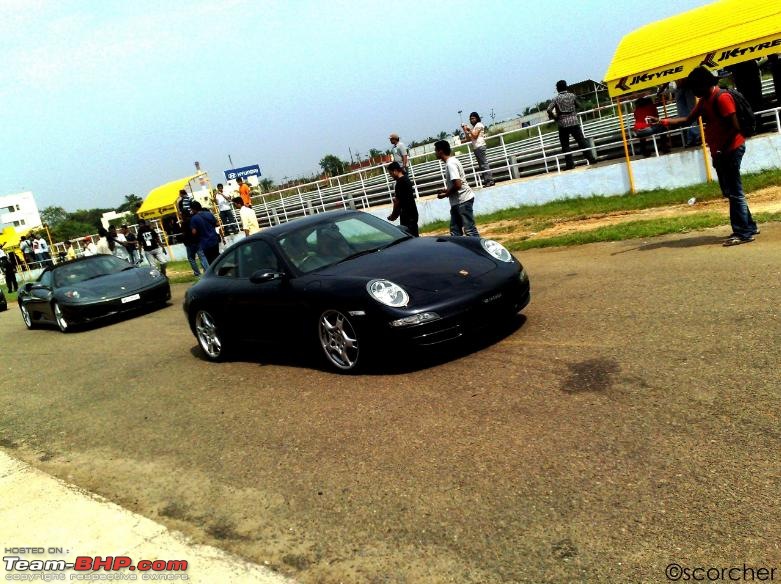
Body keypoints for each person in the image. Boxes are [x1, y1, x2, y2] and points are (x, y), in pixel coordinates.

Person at [655, 66, 758, 246]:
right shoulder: (704, 101)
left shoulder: (722, 98)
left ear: (704, 85)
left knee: (735, 192)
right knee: (732, 192)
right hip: (720, 151)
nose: (693, 91)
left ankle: (743, 233)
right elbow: (687, 120)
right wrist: (663, 122)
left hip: (731, 149)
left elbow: (735, 128)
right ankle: (749, 226)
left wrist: (721, 151)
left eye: (695, 87)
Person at [546, 80, 597, 170]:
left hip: (562, 124)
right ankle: (591, 159)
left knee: (565, 145)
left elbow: (549, 109)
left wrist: (555, 118)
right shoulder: (572, 95)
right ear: (566, 87)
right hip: (574, 121)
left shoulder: (556, 99)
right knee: (581, 141)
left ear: (557, 89)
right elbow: (579, 105)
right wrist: (573, 111)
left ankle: (570, 164)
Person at [434, 140, 479, 237]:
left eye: (436, 150)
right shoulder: (452, 161)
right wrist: (447, 190)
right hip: (459, 201)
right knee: (455, 231)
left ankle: (479, 250)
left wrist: (446, 194)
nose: (435, 153)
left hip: (462, 201)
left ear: (440, 151)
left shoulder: (450, 164)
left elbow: (458, 185)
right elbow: (457, 183)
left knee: (469, 230)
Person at [386, 161, 419, 236]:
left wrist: (393, 215)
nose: (391, 176)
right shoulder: (406, 179)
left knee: (410, 238)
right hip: (413, 213)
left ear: (395, 171)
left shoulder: (400, 183)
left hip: (407, 215)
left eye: (391, 173)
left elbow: (397, 202)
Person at [461, 112, 495, 186]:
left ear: (477, 118)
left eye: (473, 118)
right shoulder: (474, 127)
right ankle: (487, 181)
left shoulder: (479, 125)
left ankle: (490, 180)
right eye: (470, 119)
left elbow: (475, 135)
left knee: (484, 164)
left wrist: (469, 130)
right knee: (481, 165)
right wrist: (465, 130)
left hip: (480, 146)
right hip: (476, 147)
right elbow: (469, 138)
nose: (471, 120)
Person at [189, 200, 220, 265]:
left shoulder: (194, 219)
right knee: (217, 257)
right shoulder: (209, 214)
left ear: (194, 209)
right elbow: (217, 224)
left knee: (211, 261)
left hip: (205, 243)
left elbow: (194, 232)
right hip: (214, 239)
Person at [674, 79, 701, 147]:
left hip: (688, 87)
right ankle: (692, 138)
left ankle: (695, 137)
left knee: (692, 112)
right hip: (680, 88)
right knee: (683, 115)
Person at [181, 211, 206, 277]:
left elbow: (184, 234)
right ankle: (207, 271)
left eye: (181, 215)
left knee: (191, 258)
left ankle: (197, 273)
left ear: (184, 215)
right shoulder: (194, 220)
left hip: (189, 243)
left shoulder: (183, 223)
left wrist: (184, 242)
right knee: (202, 257)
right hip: (198, 241)